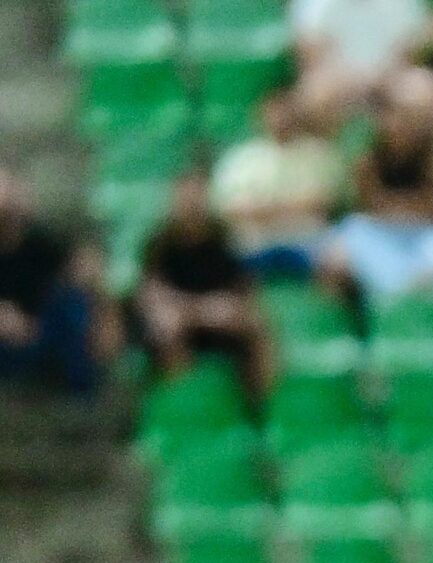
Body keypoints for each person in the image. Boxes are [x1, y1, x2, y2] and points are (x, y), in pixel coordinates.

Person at [321, 81, 433, 308]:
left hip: (424, 233)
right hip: (379, 232)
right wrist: (405, 206)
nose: (398, 124)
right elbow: (368, 204)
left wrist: (396, 207)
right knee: (340, 247)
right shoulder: (369, 158)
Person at [132, 170, 275, 408]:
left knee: (257, 325)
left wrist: (225, 309)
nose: (191, 205)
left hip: (219, 320)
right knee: (165, 326)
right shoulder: (159, 244)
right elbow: (151, 294)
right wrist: (195, 309)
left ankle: (258, 409)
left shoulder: (224, 241)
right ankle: (181, 408)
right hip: (180, 317)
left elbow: (242, 291)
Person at [287, 0, 433, 127]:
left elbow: (412, 49)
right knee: (313, 94)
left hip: (391, 76)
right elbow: (309, 50)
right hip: (336, 76)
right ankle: (324, 156)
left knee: (426, 92)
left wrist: (382, 78)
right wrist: (348, 79)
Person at [209, 87, 345, 279]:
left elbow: (323, 203)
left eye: (286, 112)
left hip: (307, 242)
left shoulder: (320, 154)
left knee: (340, 263)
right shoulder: (240, 158)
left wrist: (265, 210)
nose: (281, 119)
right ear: (260, 115)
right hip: (254, 244)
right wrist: (289, 208)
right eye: (274, 112)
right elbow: (228, 208)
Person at [0, 169, 112, 397]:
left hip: (41, 332)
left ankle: (82, 396)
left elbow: (74, 276)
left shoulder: (40, 242)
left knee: (73, 306)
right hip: (6, 342)